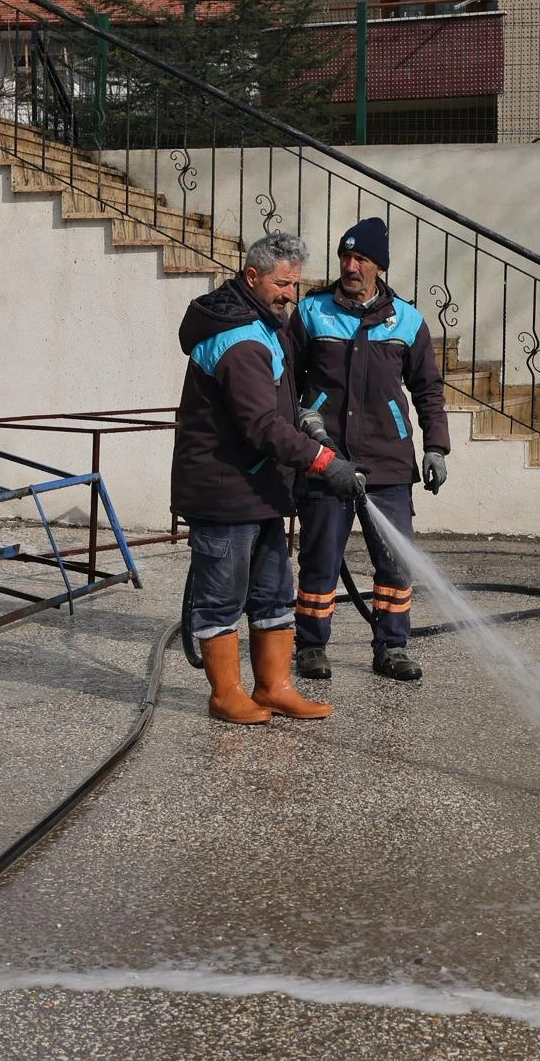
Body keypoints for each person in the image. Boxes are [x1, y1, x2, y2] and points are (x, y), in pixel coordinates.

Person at [171, 231, 365, 725]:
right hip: (224, 491)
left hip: (258, 489)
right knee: (221, 599)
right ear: (252, 276)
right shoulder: (237, 338)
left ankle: (274, 687)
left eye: (295, 284)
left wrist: (300, 416)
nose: (289, 294)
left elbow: (268, 402)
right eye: (282, 284)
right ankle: (225, 695)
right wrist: (322, 461)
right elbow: (258, 424)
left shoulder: (262, 323)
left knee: (273, 593)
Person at [289, 217, 450, 682]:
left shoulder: (408, 321)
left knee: (395, 562)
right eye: (345, 256)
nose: (350, 266)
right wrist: (301, 424)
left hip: (388, 462)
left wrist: (436, 447)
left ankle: (392, 647)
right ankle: (311, 647)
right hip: (326, 459)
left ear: (380, 266)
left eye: (360, 258)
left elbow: (428, 389)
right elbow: (286, 381)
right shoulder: (312, 312)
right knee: (320, 558)